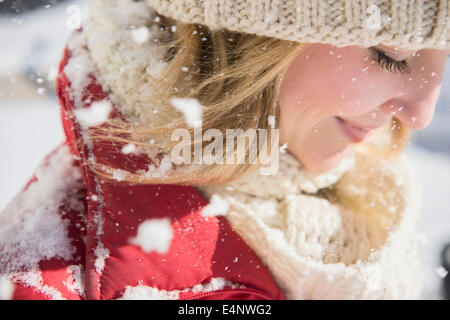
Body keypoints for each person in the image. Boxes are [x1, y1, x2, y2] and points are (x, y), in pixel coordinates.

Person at [0, 0, 449, 300]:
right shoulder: (52, 272)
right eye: (394, 56)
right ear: (249, 39)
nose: (420, 113)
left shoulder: (361, 186)